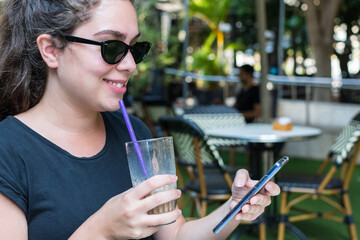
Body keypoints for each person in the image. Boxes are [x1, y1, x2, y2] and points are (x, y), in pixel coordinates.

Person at [0, 0, 280, 239]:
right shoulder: (8, 150)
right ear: (50, 49)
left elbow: (174, 234)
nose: (131, 65)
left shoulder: (136, 133)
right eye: (111, 47)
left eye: (134, 48)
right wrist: (101, 230)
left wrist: (233, 207)